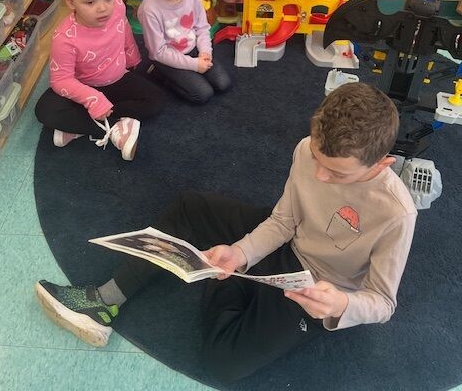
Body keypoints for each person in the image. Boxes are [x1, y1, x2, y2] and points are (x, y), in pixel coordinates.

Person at [35, 83, 417, 382]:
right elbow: (284, 220)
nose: (320, 175)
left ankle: (228, 282)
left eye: (336, 173)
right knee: (190, 207)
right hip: (287, 242)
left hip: (316, 287)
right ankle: (106, 300)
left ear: (382, 164)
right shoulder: (307, 149)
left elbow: (383, 303)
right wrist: (240, 253)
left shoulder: (396, 214)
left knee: (223, 362)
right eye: (317, 159)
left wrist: (341, 306)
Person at [35, 0, 165, 161]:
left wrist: (133, 61)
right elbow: (61, 80)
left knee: (156, 100)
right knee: (45, 111)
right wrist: (92, 99)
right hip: (82, 85)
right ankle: (115, 128)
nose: (103, 7)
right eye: (90, 2)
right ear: (70, 2)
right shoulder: (64, 38)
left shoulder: (119, 7)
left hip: (117, 77)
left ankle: (81, 125)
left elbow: (125, 33)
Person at [137, 0, 231, 104]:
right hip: (167, 58)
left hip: (193, 49)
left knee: (223, 83)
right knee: (203, 94)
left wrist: (205, 53)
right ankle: (160, 74)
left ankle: (189, 69)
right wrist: (194, 65)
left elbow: (202, 27)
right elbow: (158, 51)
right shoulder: (150, 9)